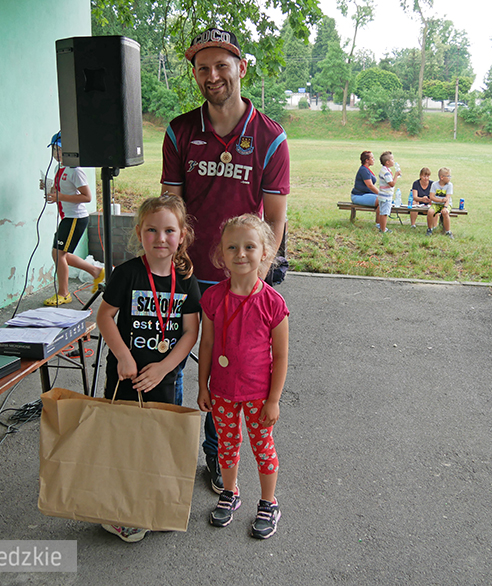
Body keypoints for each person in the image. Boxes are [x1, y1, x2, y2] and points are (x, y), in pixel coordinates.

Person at [160, 27, 289, 495]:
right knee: (172, 363)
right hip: (189, 274)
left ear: (241, 68)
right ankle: (169, 455)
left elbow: (274, 218)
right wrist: (166, 260)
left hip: (238, 280)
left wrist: (257, 275)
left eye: (222, 65)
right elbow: (170, 205)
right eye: (202, 67)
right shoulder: (179, 131)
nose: (212, 75)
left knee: (229, 371)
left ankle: (217, 459)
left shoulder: (270, 137)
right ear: (194, 72)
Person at [95, 195, 201, 543]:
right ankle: (120, 512)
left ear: (182, 235)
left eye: (169, 230)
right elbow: (104, 316)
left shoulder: (185, 278)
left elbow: (190, 332)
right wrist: (124, 356)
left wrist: (165, 367)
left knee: (159, 443)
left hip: (165, 379)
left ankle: (156, 506)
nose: (160, 237)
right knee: (126, 444)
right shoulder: (126, 273)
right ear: (139, 232)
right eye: (152, 230)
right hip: (126, 377)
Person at [197, 214, 289, 539]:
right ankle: (230, 492)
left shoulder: (273, 303)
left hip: (259, 395)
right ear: (220, 255)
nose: (240, 253)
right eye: (232, 247)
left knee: (262, 447)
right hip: (221, 391)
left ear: (265, 251)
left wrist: (274, 400)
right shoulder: (211, 298)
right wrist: (202, 385)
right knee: (227, 445)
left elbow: (280, 356)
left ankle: (268, 502)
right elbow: (206, 344)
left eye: (249, 246)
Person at [41, 132, 104, 305]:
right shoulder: (58, 168)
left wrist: (60, 197)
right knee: (60, 254)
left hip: (76, 218)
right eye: (54, 150)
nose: (56, 154)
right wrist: (48, 188)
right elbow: (58, 192)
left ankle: (63, 293)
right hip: (66, 217)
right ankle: (96, 272)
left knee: (59, 254)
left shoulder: (75, 171)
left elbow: (87, 197)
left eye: (60, 150)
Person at [351, 150, 380, 226]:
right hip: (358, 196)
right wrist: (381, 194)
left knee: (386, 200)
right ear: (367, 160)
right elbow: (370, 185)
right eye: (372, 158)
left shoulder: (367, 169)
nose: (374, 160)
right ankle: (378, 224)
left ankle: (380, 223)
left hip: (366, 195)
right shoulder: (363, 170)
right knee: (382, 200)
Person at [426, 167, 454, 239]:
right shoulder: (434, 184)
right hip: (436, 204)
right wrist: (441, 200)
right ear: (442, 177)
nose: (449, 178)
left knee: (445, 212)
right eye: (448, 176)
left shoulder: (449, 185)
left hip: (446, 204)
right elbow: (431, 197)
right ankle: (429, 229)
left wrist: (445, 207)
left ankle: (448, 231)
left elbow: (447, 198)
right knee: (430, 211)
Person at [377, 151, 401, 233]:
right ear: (387, 162)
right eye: (392, 159)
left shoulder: (386, 169)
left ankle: (382, 227)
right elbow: (392, 184)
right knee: (384, 213)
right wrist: (396, 175)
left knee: (382, 212)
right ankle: (383, 230)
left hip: (382, 195)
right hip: (385, 197)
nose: (394, 161)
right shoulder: (386, 172)